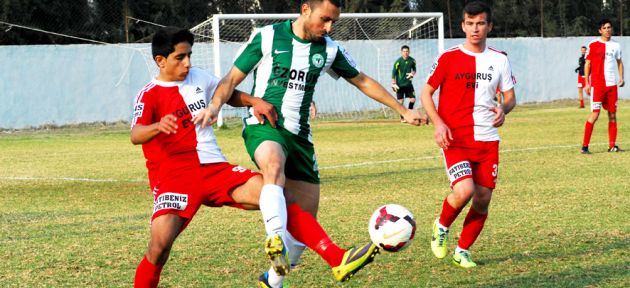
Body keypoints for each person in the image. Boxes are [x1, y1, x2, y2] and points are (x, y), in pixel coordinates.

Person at [193, 0, 426, 285]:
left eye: (333, 23)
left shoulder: (328, 49)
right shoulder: (267, 37)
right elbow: (230, 80)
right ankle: (274, 237)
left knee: (304, 224)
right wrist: (215, 106)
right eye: (324, 19)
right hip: (265, 126)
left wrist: (402, 110)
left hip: (301, 137)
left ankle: (271, 282)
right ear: (306, 10)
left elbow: (362, 80)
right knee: (274, 167)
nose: (328, 27)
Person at [132, 26, 375, 288]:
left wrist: (254, 101)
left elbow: (229, 94)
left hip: (215, 170)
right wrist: (157, 126)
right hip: (175, 177)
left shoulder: (200, 78)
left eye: (189, 55)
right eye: (180, 57)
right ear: (161, 61)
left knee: (276, 194)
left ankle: (336, 257)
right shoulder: (149, 94)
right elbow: (136, 134)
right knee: (158, 250)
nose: (188, 62)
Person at [420, 1, 516, 268]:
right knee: (464, 190)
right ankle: (441, 226)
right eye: (470, 23)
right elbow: (426, 93)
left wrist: (503, 109)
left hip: (487, 139)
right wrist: (438, 124)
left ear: (489, 26)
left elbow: (510, 98)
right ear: (463, 26)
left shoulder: (500, 59)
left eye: (481, 23)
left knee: (483, 199)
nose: (475, 28)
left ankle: (462, 250)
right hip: (455, 138)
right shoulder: (448, 58)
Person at [581, 19, 625, 154]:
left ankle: (612, 146)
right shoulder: (593, 45)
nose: (607, 30)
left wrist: (621, 78)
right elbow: (587, 64)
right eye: (604, 28)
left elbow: (619, 62)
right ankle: (585, 147)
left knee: (613, 115)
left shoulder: (616, 46)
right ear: (600, 30)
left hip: (612, 86)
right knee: (595, 114)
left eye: (609, 27)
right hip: (597, 85)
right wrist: (587, 83)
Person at [391, 45, 417, 122]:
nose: (405, 53)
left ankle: (409, 115)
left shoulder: (412, 60)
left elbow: (414, 69)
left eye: (407, 51)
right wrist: (393, 81)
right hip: (400, 85)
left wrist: (412, 73)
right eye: (404, 51)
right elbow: (394, 72)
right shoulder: (398, 61)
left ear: (409, 52)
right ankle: (402, 118)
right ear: (401, 52)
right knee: (401, 102)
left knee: (412, 99)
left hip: (408, 84)